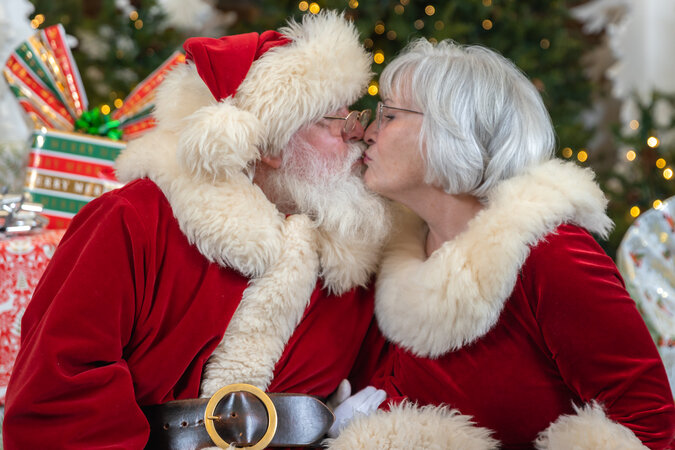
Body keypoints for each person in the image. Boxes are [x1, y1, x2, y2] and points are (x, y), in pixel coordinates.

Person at [2, 11, 392, 448]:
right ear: (271, 144)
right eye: (333, 121)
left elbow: (391, 386)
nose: (356, 134)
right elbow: (61, 394)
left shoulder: (352, 261)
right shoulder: (132, 221)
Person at [326, 39, 675, 449]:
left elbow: (651, 431)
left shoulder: (552, 256)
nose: (368, 132)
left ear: (454, 131)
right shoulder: (394, 257)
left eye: (388, 115)